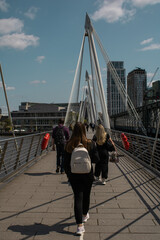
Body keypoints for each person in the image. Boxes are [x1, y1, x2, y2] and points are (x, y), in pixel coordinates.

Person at [64, 122, 99, 235]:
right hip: (88, 175)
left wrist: (69, 175)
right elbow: (96, 160)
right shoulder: (90, 143)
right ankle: (84, 215)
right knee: (87, 195)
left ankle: (79, 226)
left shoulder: (69, 144)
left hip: (74, 176)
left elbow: (65, 163)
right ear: (85, 130)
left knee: (78, 198)